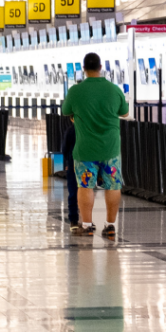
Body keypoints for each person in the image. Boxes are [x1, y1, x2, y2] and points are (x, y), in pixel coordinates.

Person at [61, 51, 129, 239]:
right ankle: (110, 225)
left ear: (84, 69)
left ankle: (88, 225)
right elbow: (124, 112)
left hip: (85, 149)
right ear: (100, 68)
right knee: (113, 186)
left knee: (85, 186)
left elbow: (66, 110)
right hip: (111, 149)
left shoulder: (76, 90)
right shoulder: (114, 89)